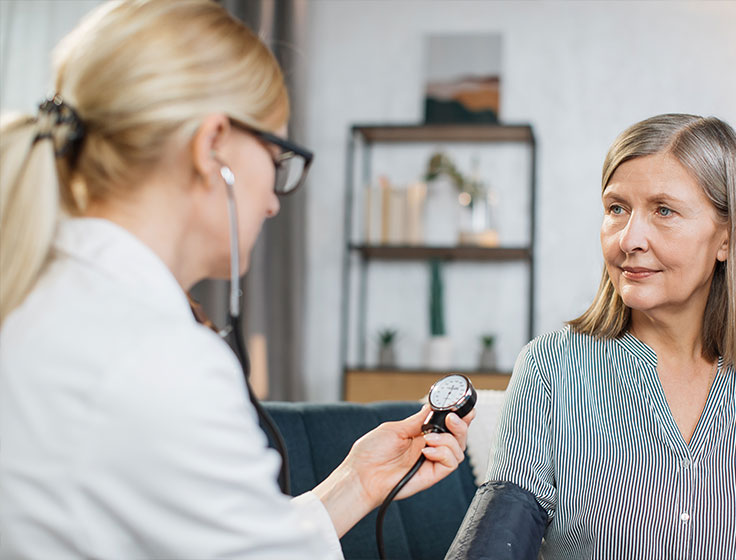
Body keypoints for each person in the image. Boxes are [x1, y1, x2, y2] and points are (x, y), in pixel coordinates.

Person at [0, 1, 472, 558]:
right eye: (277, 159)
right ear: (212, 145)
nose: (273, 201)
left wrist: (358, 482)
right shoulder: (159, 360)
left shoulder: (48, 301)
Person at [446, 114, 736, 559]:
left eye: (664, 211)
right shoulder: (550, 367)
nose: (629, 238)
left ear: (725, 238)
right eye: (617, 209)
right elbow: (498, 540)